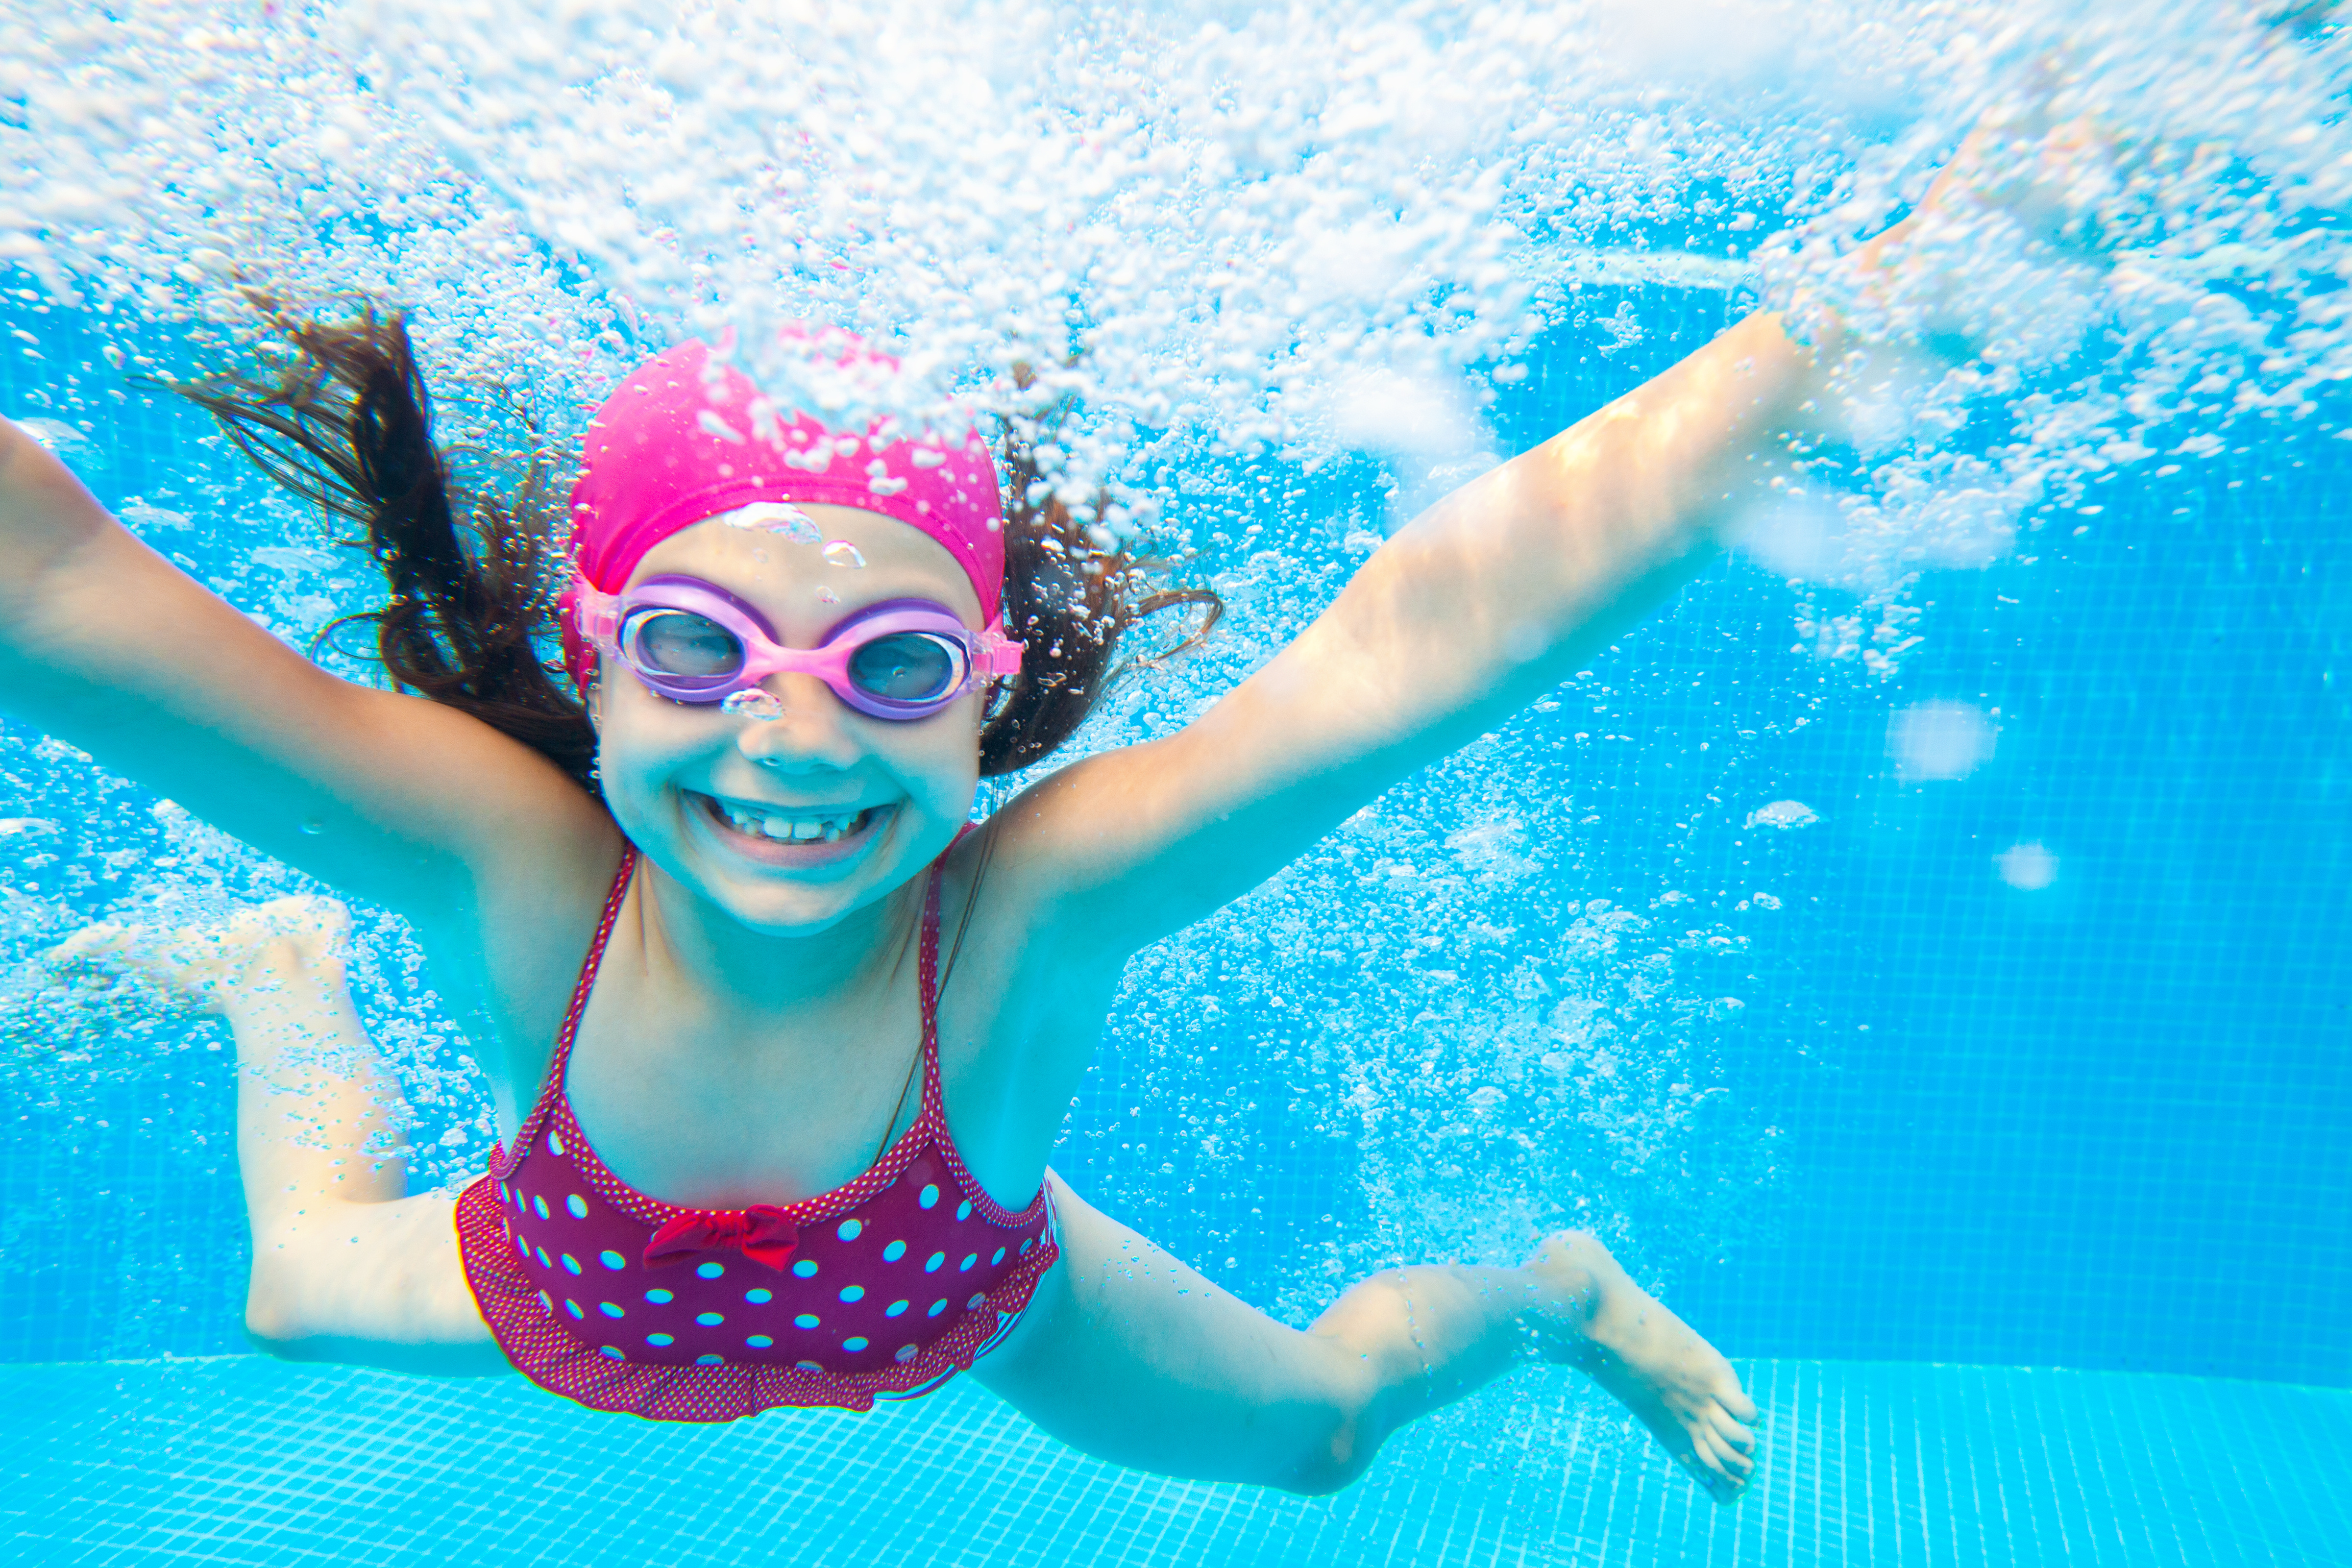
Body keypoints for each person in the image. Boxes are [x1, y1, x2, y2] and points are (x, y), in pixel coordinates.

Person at [4, 146, 2011, 1491]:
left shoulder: (1031, 917)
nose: (791, 739)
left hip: (970, 1287)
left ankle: (1550, 1293)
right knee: (285, 1290)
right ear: (591, 652)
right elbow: (65, 597)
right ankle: (276, 970)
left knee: (1320, 1433)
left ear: (987, 689)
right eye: (699, 648)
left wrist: (1843, 332)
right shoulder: (507, 865)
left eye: (888, 665)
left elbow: (1425, 644)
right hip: (560, 1282)